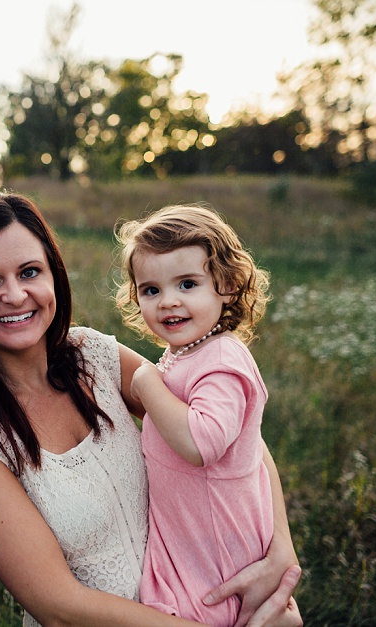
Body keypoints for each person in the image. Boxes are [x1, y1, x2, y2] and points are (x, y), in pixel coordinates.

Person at [0, 193, 302, 626]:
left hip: (200, 601)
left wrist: (280, 555)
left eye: (30, 272)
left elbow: (228, 436)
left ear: (54, 277)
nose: (15, 295)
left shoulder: (91, 355)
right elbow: (60, 606)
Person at [116, 204, 274, 626]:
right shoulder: (186, 353)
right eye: (151, 290)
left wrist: (147, 383)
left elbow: (199, 444)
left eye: (187, 283)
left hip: (218, 555)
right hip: (190, 542)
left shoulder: (222, 358)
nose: (168, 301)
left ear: (226, 284)